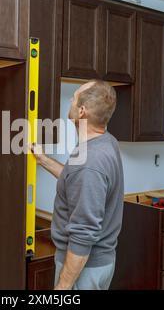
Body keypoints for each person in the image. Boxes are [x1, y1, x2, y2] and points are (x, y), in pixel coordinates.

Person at [31, 80, 124, 290]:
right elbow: (76, 181)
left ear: (81, 111)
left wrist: (63, 287)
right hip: (98, 263)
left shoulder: (90, 162)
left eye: (73, 98)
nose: (70, 101)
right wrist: (43, 159)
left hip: (84, 268)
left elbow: (84, 233)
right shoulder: (106, 142)